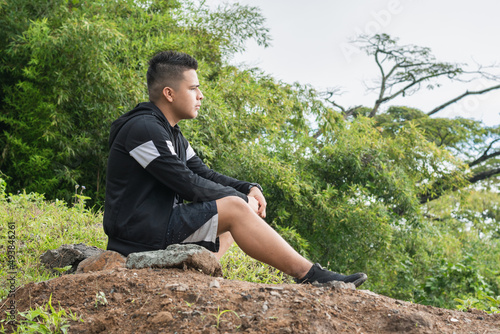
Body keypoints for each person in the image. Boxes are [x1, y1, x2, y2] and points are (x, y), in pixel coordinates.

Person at [103, 50, 367, 287]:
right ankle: (310, 276)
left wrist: (249, 188)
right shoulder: (143, 129)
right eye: (194, 88)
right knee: (234, 208)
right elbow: (186, 183)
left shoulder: (172, 134)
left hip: (158, 225)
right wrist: (241, 201)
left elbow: (203, 173)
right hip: (138, 234)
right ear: (169, 93)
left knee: (231, 209)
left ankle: (197, 273)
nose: (201, 95)